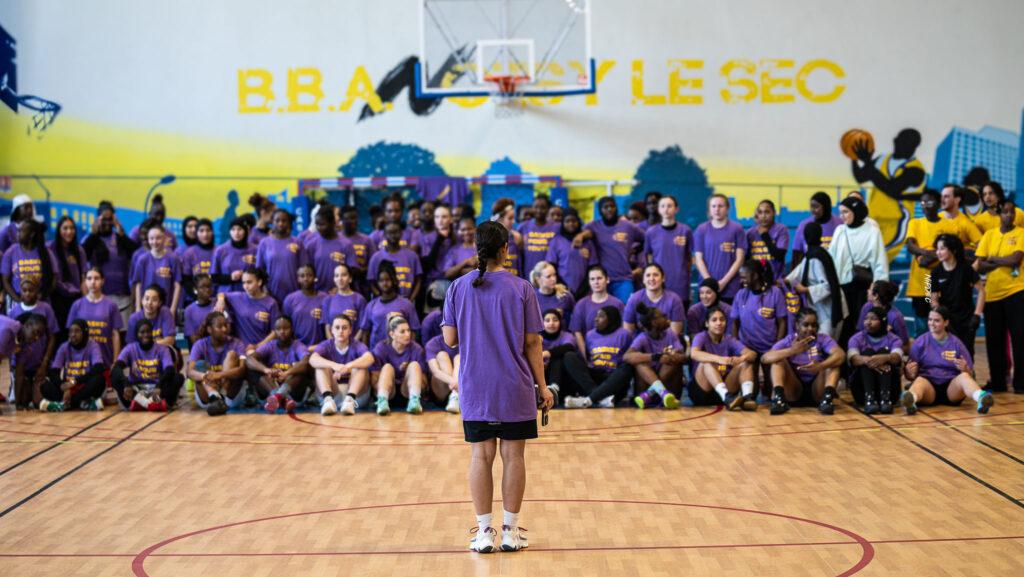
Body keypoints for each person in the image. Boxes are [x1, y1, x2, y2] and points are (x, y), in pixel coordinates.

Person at [441, 220, 553, 553]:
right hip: (514, 386)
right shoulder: (522, 288)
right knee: (513, 456)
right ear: (505, 249)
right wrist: (543, 388)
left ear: (476, 249)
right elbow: (533, 343)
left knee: (481, 455)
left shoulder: (458, 287)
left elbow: (449, 339)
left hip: (476, 386)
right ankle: (510, 532)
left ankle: (484, 533)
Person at [901, 307, 993, 414]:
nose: (932, 323)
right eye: (930, 319)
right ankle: (910, 401)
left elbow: (970, 374)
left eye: (937, 320)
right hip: (929, 387)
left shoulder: (956, 343)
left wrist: (965, 370)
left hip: (951, 389)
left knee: (964, 377)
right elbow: (910, 376)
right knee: (919, 380)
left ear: (946, 322)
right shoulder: (920, 342)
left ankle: (981, 398)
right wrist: (909, 373)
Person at [975, 199, 1024, 394]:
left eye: (1012, 212)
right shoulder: (989, 235)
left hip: (1016, 291)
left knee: (1020, 339)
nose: (1009, 215)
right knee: (994, 341)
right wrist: (1003, 262)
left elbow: (1016, 259)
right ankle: (998, 383)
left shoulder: (1021, 233)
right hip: (992, 294)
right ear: (998, 213)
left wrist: (993, 258)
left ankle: (1020, 384)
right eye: (1005, 212)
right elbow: (980, 264)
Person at [828, 197, 888, 347]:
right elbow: (831, 258)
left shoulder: (872, 231)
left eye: (846, 212)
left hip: (863, 288)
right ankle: (844, 363)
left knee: (863, 325)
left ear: (856, 211)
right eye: (840, 212)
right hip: (842, 287)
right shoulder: (840, 231)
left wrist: (877, 292)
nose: (842, 216)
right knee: (843, 326)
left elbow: (879, 262)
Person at [762, 308, 845, 416]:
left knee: (834, 362)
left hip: (817, 389)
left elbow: (841, 355)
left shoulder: (823, 339)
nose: (810, 329)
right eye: (805, 325)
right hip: (794, 389)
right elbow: (765, 358)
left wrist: (821, 366)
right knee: (778, 360)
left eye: (814, 325)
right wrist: (792, 351)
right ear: (797, 325)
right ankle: (779, 400)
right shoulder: (789, 340)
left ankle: (827, 400)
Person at [731, 259, 788, 394]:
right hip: (748, 348)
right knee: (752, 392)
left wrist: (776, 347)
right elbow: (734, 322)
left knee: (769, 391)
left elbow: (782, 322)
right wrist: (738, 346)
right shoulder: (740, 295)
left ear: (755, 276)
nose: (741, 280)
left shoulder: (775, 293)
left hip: (769, 348)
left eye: (744, 277)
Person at [573, 196, 644, 303]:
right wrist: (581, 236)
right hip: (602, 281)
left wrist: (636, 250)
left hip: (624, 279)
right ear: (600, 211)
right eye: (605, 207)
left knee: (626, 312)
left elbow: (645, 238)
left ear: (616, 208)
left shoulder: (628, 226)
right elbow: (586, 232)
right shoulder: (594, 226)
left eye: (612, 206)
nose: (609, 209)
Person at [562, 306, 635, 409]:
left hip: (613, 381)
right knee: (569, 356)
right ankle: (600, 399)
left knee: (627, 367)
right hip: (594, 379)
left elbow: (629, 357)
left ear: (611, 319)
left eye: (601, 316)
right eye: (596, 316)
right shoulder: (590, 335)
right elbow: (588, 359)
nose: (596, 319)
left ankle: (588, 400)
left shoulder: (625, 334)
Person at [905, 189, 959, 327]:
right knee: (923, 324)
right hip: (921, 281)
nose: (925, 205)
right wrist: (930, 253)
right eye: (922, 202)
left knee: (943, 322)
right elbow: (911, 245)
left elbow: (952, 250)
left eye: (929, 202)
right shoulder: (915, 223)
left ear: (938, 203)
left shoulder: (948, 225)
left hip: (942, 280)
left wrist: (928, 256)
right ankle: (924, 348)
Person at [82, 201, 139, 329]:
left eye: (110, 219)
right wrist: (93, 233)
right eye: (103, 219)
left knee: (123, 334)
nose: (107, 223)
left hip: (122, 297)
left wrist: (121, 231)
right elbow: (83, 254)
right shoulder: (90, 239)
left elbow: (136, 252)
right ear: (97, 219)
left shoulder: (120, 238)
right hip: (100, 296)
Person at [689, 306, 757, 411]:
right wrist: (719, 359)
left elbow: (752, 354)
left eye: (722, 319)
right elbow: (694, 354)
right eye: (714, 320)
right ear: (707, 323)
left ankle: (748, 398)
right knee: (706, 363)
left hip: (724, 390)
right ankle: (727, 398)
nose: (719, 323)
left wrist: (741, 358)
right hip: (703, 391)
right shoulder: (701, 336)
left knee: (746, 363)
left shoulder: (729, 339)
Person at [929, 234, 984, 361]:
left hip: (967, 320)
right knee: (948, 354)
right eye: (937, 249)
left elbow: (982, 291)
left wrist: (976, 315)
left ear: (953, 250)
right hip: (947, 321)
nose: (938, 252)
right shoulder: (934, 273)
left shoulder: (966, 269)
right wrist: (938, 314)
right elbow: (931, 297)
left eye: (942, 249)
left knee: (967, 353)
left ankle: (968, 376)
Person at [785, 222, 845, 337]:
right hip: (819, 307)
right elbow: (798, 272)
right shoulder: (812, 254)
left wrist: (805, 290)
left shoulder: (817, 257)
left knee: (826, 340)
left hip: (829, 307)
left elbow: (828, 286)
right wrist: (784, 281)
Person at [309, 313, 375, 416]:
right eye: (337, 327)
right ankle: (328, 400)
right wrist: (334, 366)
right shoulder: (326, 345)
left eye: (344, 328)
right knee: (321, 365)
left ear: (350, 330)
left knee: (360, 366)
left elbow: (369, 358)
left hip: (356, 395)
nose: (340, 331)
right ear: (332, 330)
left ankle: (349, 401)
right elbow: (312, 359)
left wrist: (348, 366)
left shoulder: (357, 345)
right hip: (334, 392)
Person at [625, 303, 687, 409]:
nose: (666, 316)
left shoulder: (670, 333)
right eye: (662, 316)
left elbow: (684, 357)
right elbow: (626, 357)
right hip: (645, 391)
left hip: (665, 394)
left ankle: (654, 393)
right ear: (654, 322)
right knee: (639, 361)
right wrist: (655, 357)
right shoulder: (642, 338)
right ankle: (661, 392)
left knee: (670, 360)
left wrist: (674, 355)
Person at [9, 278, 59, 410]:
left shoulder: (46, 308)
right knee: (23, 400)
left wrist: (45, 362)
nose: (27, 294)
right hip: (22, 363)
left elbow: (53, 336)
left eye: (31, 290)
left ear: (37, 291)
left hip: (40, 363)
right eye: (24, 291)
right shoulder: (14, 311)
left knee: (38, 402)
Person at [111, 319, 181, 412]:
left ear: (152, 333)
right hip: (136, 390)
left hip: (157, 389)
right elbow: (117, 367)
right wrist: (126, 383)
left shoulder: (162, 349)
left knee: (178, 377)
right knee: (114, 376)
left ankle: (142, 403)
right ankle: (151, 404)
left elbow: (170, 369)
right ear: (137, 334)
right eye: (142, 332)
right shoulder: (130, 348)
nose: (146, 335)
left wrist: (159, 386)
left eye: (148, 331)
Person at [187, 311, 247, 416]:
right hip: (207, 396)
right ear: (210, 329)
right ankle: (214, 396)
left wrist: (219, 375)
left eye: (225, 325)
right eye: (220, 326)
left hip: (230, 396)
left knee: (232, 355)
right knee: (199, 364)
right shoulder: (200, 344)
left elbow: (242, 369)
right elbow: (189, 371)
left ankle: (221, 397)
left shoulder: (237, 343)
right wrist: (205, 376)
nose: (224, 329)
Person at [246, 315, 311, 414]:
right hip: (271, 387)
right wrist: (266, 370)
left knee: (303, 369)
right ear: (274, 331)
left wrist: (287, 373)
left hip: (293, 393)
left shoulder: (298, 345)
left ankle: (279, 396)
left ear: (292, 329)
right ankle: (281, 400)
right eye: (278, 329)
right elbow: (249, 359)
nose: (282, 331)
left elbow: (306, 361)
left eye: (286, 328)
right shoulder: (270, 345)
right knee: (253, 368)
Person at [38, 319, 106, 412]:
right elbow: (53, 372)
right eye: (70, 331)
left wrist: (75, 382)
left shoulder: (93, 346)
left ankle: (62, 405)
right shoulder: (64, 347)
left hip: (83, 386)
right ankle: (83, 404)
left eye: (77, 331)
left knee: (99, 380)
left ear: (85, 332)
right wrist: (63, 386)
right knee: (44, 385)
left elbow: (98, 368)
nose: (73, 334)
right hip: (67, 388)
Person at [847, 307, 903, 414]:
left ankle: (885, 397)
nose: (868, 322)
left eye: (873, 319)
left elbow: (897, 358)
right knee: (867, 353)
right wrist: (873, 362)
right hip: (861, 391)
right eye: (866, 318)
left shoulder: (894, 339)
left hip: (891, 391)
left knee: (884, 353)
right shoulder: (856, 338)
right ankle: (870, 397)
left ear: (883, 321)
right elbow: (853, 359)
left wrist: (884, 358)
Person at [694, 194, 747, 303]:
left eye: (720, 206)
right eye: (713, 206)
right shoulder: (701, 229)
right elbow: (698, 259)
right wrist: (709, 282)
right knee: (706, 319)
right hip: (706, 288)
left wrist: (723, 282)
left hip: (730, 287)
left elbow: (739, 259)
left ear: (727, 208)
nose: (717, 209)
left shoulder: (737, 229)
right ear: (709, 209)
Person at [370, 315, 427, 415]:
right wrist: (388, 381)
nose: (407, 334)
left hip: (408, 392)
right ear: (392, 334)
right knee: (387, 367)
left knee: (414, 365)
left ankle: (414, 401)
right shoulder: (381, 348)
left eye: (408, 330)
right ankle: (382, 401)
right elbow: (374, 380)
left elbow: (425, 383)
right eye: (402, 332)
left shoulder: (417, 349)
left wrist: (409, 372)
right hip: (388, 393)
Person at [643, 195, 694, 305]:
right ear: (659, 209)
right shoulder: (651, 232)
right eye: (663, 206)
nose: (666, 209)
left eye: (669, 206)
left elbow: (690, 256)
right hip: (658, 283)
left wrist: (685, 273)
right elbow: (649, 257)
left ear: (676, 209)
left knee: (680, 317)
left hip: (680, 282)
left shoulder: (685, 230)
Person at [67, 268, 124, 366]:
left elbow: (115, 335)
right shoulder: (77, 305)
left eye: (96, 278)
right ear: (85, 281)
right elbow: (70, 335)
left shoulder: (111, 305)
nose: (93, 282)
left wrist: (116, 361)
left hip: (105, 359)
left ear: (102, 281)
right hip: (81, 362)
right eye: (89, 278)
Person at [215, 267, 280, 351]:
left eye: (249, 282)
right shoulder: (238, 297)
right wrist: (221, 300)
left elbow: (275, 332)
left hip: (263, 349)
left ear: (259, 282)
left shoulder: (271, 303)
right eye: (243, 283)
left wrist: (257, 346)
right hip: (240, 350)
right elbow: (221, 294)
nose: (245, 286)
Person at [255, 209, 310, 304]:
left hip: (294, 293)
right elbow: (259, 270)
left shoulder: (297, 243)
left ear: (289, 223)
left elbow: (305, 269)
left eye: (284, 221)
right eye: (277, 220)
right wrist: (263, 289)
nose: (280, 224)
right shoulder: (264, 243)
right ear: (272, 222)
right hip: (271, 294)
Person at [358, 263, 419, 346]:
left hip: (400, 351)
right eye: (381, 280)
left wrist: (410, 350)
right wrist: (366, 352)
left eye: (387, 280)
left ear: (394, 280)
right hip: (376, 353)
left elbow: (413, 331)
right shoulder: (371, 305)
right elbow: (365, 332)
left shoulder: (406, 304)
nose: (384, 283)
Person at [304, 204, 357, 294]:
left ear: (333, 223)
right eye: (317, 225)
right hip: (318, 294)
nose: (319, 228)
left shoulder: (346, 244)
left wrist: (340, 287)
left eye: (322, 224)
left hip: (340, 294)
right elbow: (308, 271)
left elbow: (352, 270)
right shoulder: (312, 244)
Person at [131, 225, 182, 316]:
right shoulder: (142, 260)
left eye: (158, 238)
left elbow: (177, 286)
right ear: (148, 240)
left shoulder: (173, 258)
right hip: (146, 309)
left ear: (164, 239)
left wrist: (173, 309)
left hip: (166, 308)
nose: (155, 242)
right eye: (151, 238)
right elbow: (138, 285)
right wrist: (138, 307)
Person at [545, 207, 597, 297]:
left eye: (574, 221)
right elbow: (551, 266)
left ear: (579, 222)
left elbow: (593, 266)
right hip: (562, 289)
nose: (571, 224)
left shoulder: (588, 243)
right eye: (567, 221)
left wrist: (585, 286)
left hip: (585, 290)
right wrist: (562, 285)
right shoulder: (556, 241)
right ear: (562, 223)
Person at [48, 216, 87, 329]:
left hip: (75, 298)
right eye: (65, 228)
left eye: (72, 228)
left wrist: (85, 301)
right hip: (56, 298)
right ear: (59, 230)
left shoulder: (79, 250)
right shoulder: (50, 248)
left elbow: (83, 277)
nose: (69, 232)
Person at [623, 263, 685, 335]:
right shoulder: (634, 299)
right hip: (640, 343)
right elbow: (628, 331)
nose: (651, 279)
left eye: (655, 275)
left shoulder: (674, 300)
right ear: (643, 280)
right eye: (648, 275)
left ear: (663, 278)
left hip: (667, 343)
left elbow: (675, 333)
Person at [2, 219, 55, 303]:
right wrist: (18, 300)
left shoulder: (45, 252)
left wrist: (43, 295)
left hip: (41, 302)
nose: (17, 234)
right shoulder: (11, 251)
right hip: (18, 300)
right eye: (17, 231)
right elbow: (5, 280)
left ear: (31, 234)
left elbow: (54, 277)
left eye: (21, 231)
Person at [367, 221, 423, 300]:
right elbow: (371, 282)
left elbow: (418, 281)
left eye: (396, 232)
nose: (393, 235)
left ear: (401, 233)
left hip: (406, 300)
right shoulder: (376, 257)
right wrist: (382, 298)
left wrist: (411, 299)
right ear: (384, 235)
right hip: (384, 301)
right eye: (390, 233)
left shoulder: (412, 256)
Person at [791, 192, 843, 271]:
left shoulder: (840, 224)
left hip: (836, 271)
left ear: (826, 207)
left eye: (816, 207)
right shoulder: (804, 225)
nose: (813, 210)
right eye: (811, 207)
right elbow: (797, 255)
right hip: (810, 274)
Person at [0, 313, 44, 406]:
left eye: (40, 336)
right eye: (35, 332)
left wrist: (17, 404)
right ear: (27, 325)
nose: (36, 338)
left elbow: (19, 373)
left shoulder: (24, 343)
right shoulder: (8, 331)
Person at [854, 280, 911, 350]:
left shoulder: (895, 317)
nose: (867, 291)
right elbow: (859, 331)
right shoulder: (866, 307)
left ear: (876, 296)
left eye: (870, 289)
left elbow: (905, 344)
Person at [282, 264, 327, 347]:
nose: (306, 278)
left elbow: (329, 325)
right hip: (296, 347)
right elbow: (285, 325)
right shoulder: (290, 299)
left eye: (309, 275)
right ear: (298, 279)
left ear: (315, 278)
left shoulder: (325, 298)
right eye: (302, 276)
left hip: (320, 346)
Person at [517, 194, 561, 275]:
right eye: (536, 207)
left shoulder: (557, 227)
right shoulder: (523, 226)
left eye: (543, 208)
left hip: (549, 276)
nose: (539, 210)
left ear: (548, 209)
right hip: (528, 274)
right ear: (532, 208)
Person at [211, 217, 257, 294]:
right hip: (226, 295)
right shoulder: (221, 250)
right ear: (229, 231)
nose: (236, 233)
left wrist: (247, 275)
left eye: (239, 229)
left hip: (249, 294)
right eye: (233, 229)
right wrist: (230, 277)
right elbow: (214, 277)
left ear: (245, 231)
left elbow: (261, 273)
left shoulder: (255, 250)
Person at [747, 200, 789, 282]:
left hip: (775, 280)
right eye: (760, 212)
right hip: (756, 281)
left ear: (774, 213)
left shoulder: (781, 230)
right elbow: (746, 258)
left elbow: (779, 255)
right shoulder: (750, 233)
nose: (763, 216)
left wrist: (764, 234)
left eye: (767, 212)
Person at [419, 204, 454, 301]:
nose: (440, 220)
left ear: (451, 219)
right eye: (437, 217)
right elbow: (427, 264)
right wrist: (439, 239)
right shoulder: (428, 238)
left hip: (455, 280)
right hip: (434, 282)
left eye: (444, 217)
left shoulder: (457, 237)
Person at [322, 263, 367, 338]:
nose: (340, 278)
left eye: (344, 275)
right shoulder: (327, 300)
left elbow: (362, 328)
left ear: (350, 279)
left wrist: (352, 346)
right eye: (337, 275)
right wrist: (334, 346)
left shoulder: (359, 299)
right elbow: (327, 327)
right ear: (334, 279)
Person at [538, 309, 574, 401]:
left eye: (555, 320)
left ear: (560, 322)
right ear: (542, 323)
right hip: (541, 376)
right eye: (547, 320)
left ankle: (554, 388)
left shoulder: (566, 335)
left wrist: (547, 353)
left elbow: (569, 347)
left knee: (558, 357)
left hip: (563, 379)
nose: (551, 323)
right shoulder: (537, 337)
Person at [180, 218, 216, 306]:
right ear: (196, 233)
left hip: (215, 299)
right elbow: (186, 280)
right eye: (201, 231)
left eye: (208, 230)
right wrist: (197, 295)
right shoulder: (189, 253)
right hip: (194, 300)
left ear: (212, 232)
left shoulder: (219, 251)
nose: (205, 234)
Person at [530, 261, 576, 329]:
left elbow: (575, 319)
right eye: (548, 276)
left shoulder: (565, 295)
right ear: (538, 279)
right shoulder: (532, 299)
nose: (553, 279)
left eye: (554, 275)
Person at [939, 184, 982, 251]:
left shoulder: (966, 223)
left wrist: (966, 250)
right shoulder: (936, 218)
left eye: (946, 196)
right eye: (941, 196)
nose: (941, 200)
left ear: (957, 200)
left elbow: (983, 248)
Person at [426, 333, 460, 414]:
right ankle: (454, 395)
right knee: (442, 355)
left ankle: (455, 396)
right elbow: (435, 371)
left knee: (459, 357)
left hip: (461, 392)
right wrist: (454, 382)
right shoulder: (433, 343)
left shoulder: (466, 340)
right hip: (443, 388)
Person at [340, 204, 376, 280]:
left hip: (361, 283)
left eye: (353, 218)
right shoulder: (336, 239)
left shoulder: (367, 240)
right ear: (341, 220)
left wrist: (362, 270)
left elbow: (374, 263)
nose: (351, 221)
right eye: (347, 218)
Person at [490, 197, 525, 276]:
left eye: (513, 218)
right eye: (510, 218)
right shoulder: (489, 238)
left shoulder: (517, 237)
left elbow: (521, 265)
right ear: (499, 219)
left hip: (515, 282)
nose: (513, 221)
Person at [443, 215, 480, 280]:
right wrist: (465, 262)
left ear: (475, 229)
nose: (466, 232)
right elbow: (447, 274)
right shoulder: (454, 250)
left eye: (469, 229)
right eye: (463, 230)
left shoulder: (482, 247)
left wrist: (459, 271)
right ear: (459, 231)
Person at [184, 274, 216, 346]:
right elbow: (194, 341)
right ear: (195, 290)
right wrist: (205, 323)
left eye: (209, 286)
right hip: (201, 350)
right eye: (203, 287)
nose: (207, 290)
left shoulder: (218, 303)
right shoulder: (189, 310)